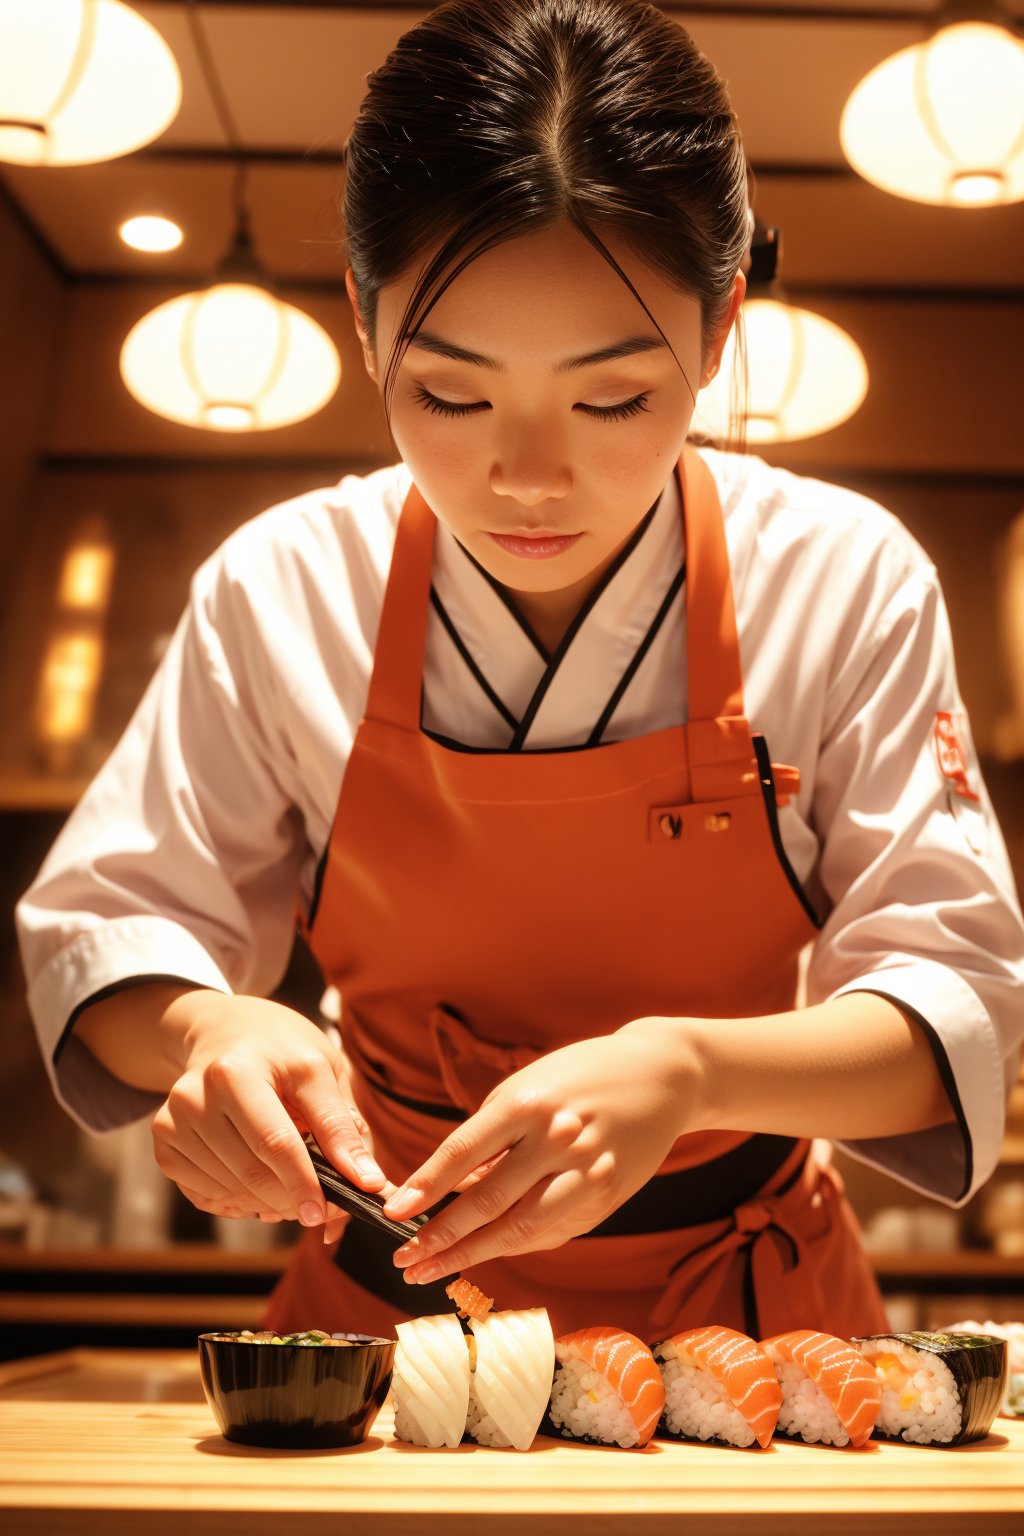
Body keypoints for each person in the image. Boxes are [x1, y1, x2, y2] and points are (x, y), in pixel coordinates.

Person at [16, 0, 1024, 1345]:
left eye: (615, 399)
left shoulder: (843, 577)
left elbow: (953, 1003)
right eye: (450, 394)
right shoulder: (286, 588)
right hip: (386, 1316)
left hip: (753, 1321)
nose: (531, 475)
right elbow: (113, 934)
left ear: (718, 332)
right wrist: (208, 1037)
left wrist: (693, 1067)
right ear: (369, 326)